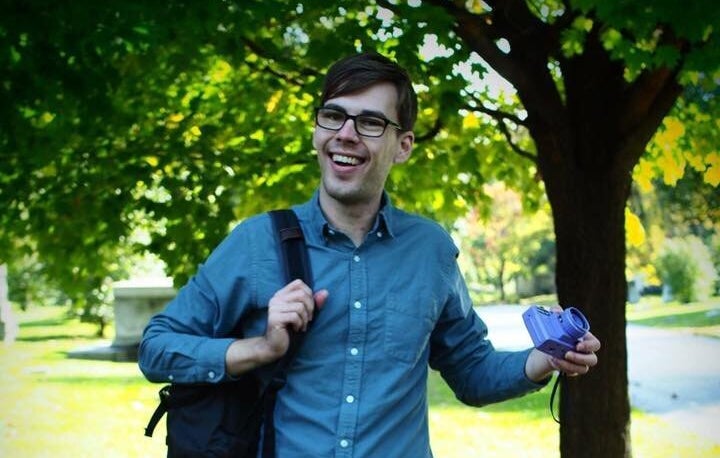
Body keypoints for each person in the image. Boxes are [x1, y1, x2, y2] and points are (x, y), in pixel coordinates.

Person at [138, 52, 601, 457]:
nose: (346, 133)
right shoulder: (255, 242)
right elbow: (157, 348)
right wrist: (259, 348)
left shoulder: (431, 251)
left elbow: (471, 371)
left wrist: (542, 360)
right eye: (333, 116)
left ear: (403, 146)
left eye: (371, 122)